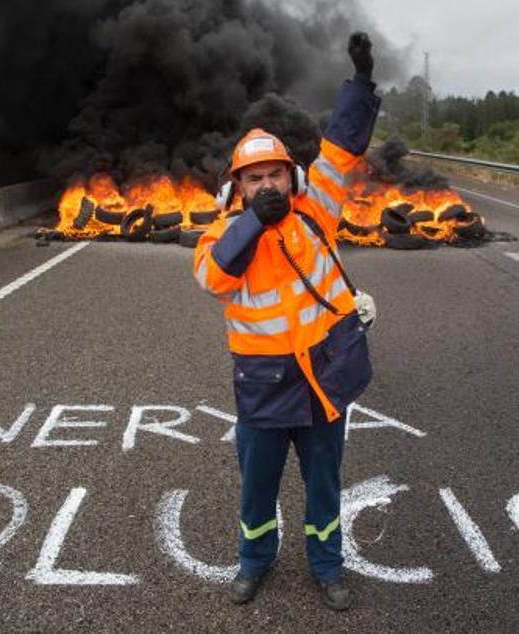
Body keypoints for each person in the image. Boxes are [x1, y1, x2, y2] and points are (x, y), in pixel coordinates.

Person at [192, 32, 381, 611]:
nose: (268, 184)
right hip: (264, 388)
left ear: (292, 178)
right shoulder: (224, 232)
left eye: (276, 174)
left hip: (323, 381)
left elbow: (343, 148)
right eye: (255, 178)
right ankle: (255, 562)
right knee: (257, 490)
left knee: (324, 487)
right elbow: (212, 276)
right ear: (238, 186)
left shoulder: (316, 207)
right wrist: (253, 223)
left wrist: (362, 82)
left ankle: (328, 566)